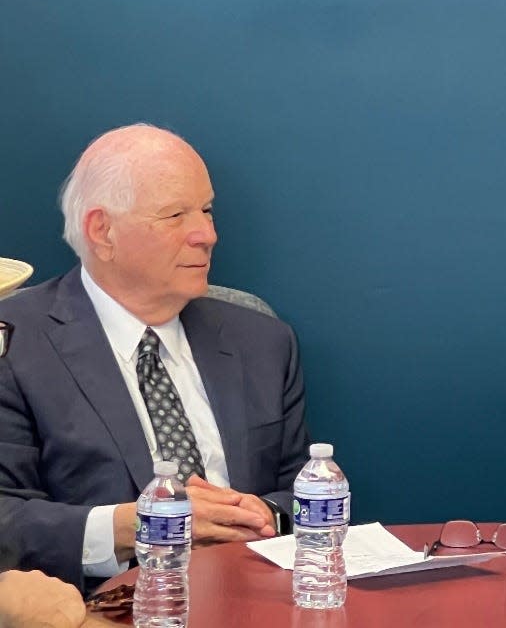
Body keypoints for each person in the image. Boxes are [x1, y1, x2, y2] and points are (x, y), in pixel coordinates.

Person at [0, 124, 310, 590]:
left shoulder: (262, 339)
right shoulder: (16, 343)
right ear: (102, 231)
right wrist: (140, 527)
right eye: (175, 216)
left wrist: (263, 515)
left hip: (256, 601)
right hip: (102, 612)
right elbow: (5, 514)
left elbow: (304, 490)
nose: (207, 234)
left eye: (206, 210)